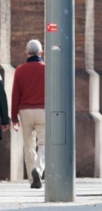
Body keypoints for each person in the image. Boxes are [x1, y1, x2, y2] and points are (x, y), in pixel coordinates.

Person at [12, 40, 45, 188]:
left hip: (25, 111)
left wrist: (13, 117)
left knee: (29, 146)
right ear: (41, 53)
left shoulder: (19, 70)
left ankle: (33, 179)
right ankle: (38, 169)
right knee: (45, 143)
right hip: (44, 110)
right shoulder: (47, 69)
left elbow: (15, 95)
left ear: (26, 53)